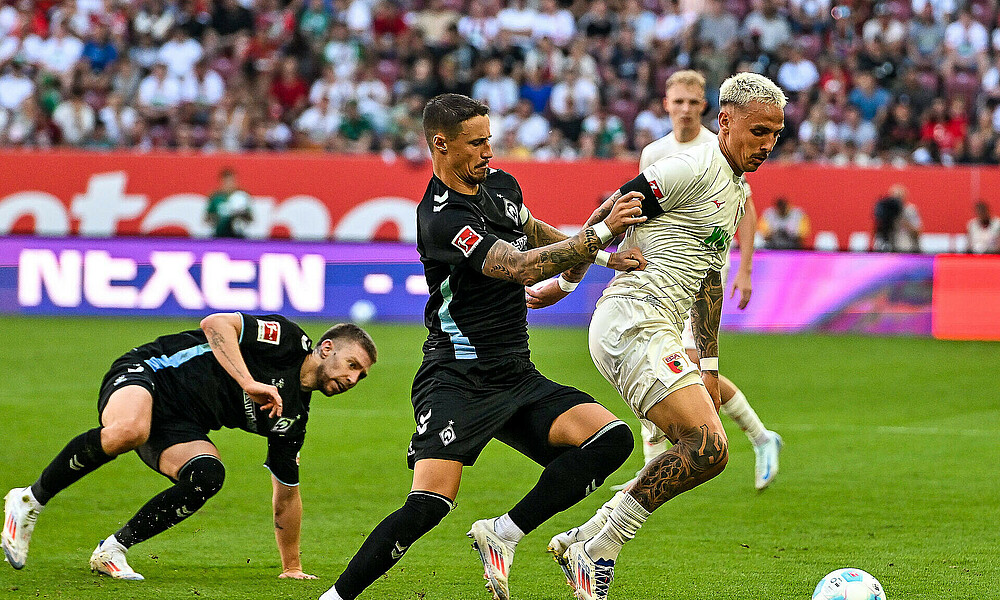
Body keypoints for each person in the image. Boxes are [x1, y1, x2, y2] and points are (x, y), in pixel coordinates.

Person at [318, 93, 648, 600]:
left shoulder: (502, 186)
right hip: (457, 377)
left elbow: (536, 237)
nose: (488, 152)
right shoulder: (440, 219)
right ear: (441, 144)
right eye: (476, 144)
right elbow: (518, 266)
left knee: (610, 441)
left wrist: (597, 251)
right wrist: (596, 235)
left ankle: (503, 534)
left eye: (489, 140)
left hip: (515, 373)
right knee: (428, 505)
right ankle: (336, 597)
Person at [537, 73, 787, 600]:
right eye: (758, 131)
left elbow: (708, 283)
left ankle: (590, 541)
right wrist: (567, 276)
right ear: (725, 121)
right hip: (633, 317)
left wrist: (712, 364)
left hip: (661, 327)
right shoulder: (688, 168)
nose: (767, 144)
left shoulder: (736, 189)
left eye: (775, 135)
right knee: (708, 446)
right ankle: (596, 546)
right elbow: (615, 206)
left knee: (706, 450)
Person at [3, 314, 376, 581]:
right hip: (151, 371)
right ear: (327, 348)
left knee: (208, 475)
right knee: (130, 429)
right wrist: (248, 381)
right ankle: (29, 500)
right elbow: (215, 324)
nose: (353, 378)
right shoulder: (287, 340)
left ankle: (113, 548)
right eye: (352, 364)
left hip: (178, 425)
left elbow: (287, 495)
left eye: (361, 375)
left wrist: (291, 566)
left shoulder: (292, 417)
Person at [205, 167, 254, 238]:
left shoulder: (242, 197)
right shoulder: (215, 197)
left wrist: (240, 213)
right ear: (221, 182)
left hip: (238, 235)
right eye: (226, 181)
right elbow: (207, 218)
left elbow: (250, 218)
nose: (229, 184)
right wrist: (220, 216)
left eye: (231, 181)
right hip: (219, 235)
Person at [873, 184, 921, 252]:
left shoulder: (910, 210)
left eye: (900, 197)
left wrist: (903, 221)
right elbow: (879, 228)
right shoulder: (886, 209)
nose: (897, 200)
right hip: (888, 246)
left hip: (906, 247)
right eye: (895, 197)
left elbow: (918, 231)